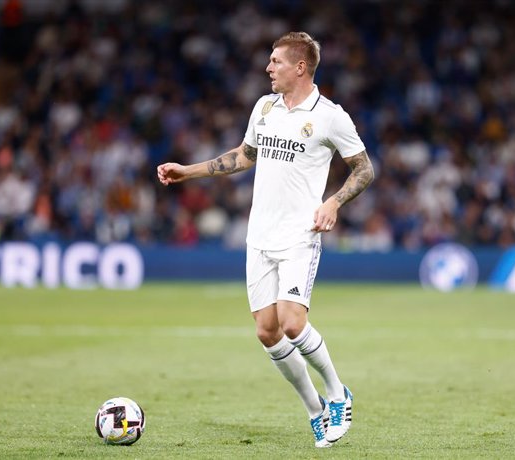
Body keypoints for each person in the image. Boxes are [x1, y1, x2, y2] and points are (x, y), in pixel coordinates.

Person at [157, 31, 374, 448]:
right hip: (260, 236)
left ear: (300, 67)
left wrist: (334, 202)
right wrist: (188, 171)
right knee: (267, 331)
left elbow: (363, 169)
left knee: (293, 323)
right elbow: (243, 156)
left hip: (300, 234)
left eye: (275, 61)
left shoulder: (330, 116)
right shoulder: (265, 107)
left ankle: (336, 393)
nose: (268, 67)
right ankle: (315, 411)